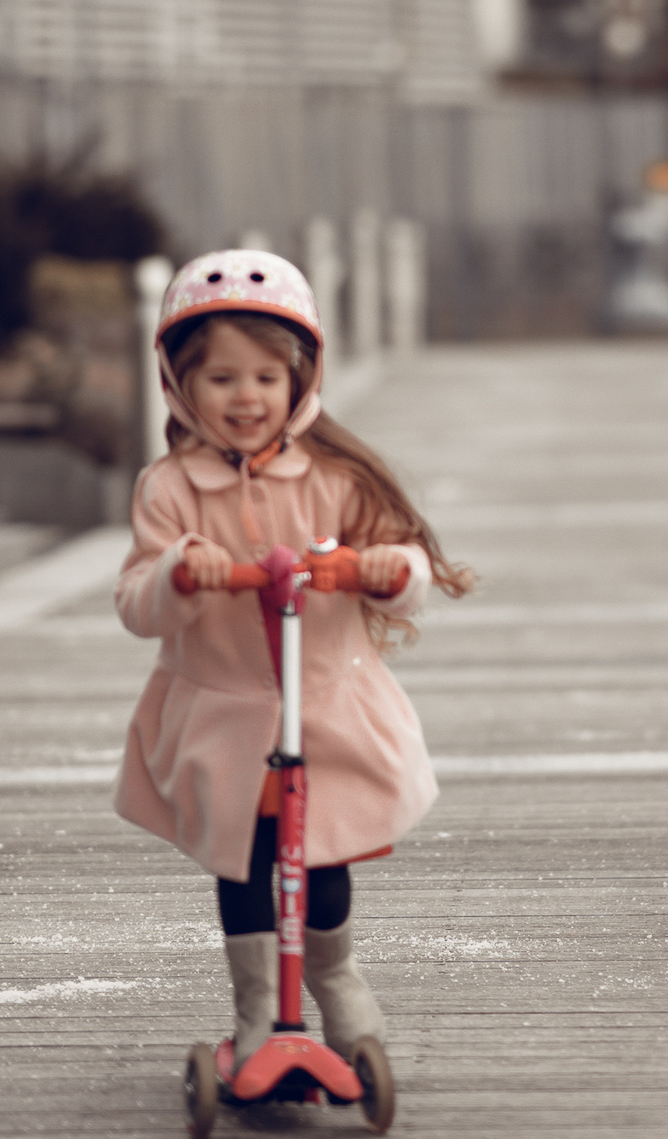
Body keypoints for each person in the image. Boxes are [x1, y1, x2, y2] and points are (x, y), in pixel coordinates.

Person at [114, 250, 472, 1070]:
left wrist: (385, 571)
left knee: (324, 850)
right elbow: (135, 600)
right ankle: (255, 1013)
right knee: (246, 859)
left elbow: (403, 565)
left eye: (266, 379)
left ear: (300, 381)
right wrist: (179, 572)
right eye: (222, 379)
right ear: (179, 385)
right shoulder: (170, 488)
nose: (246, 398)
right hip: (223, 709)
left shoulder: (337, 478)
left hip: (327, 704)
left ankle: (337, 978)